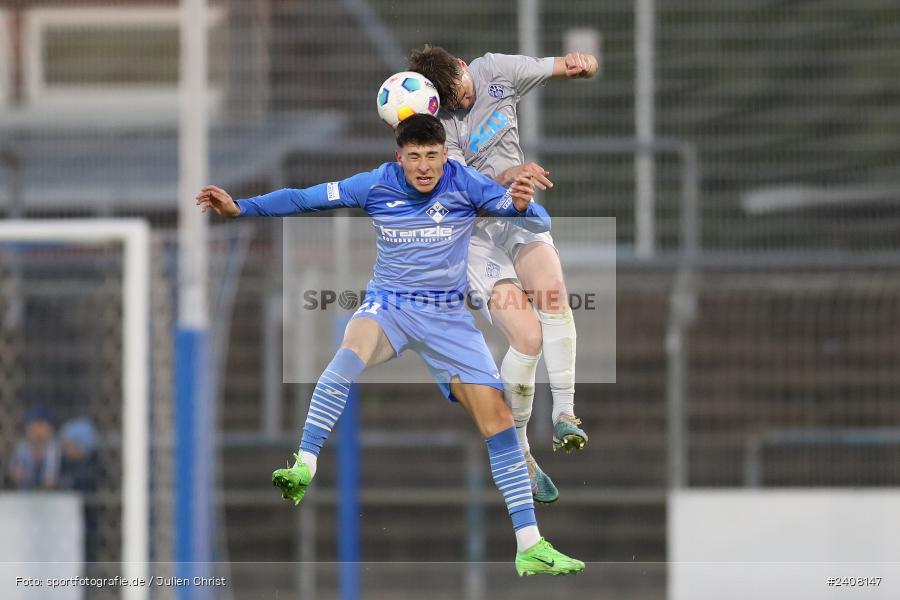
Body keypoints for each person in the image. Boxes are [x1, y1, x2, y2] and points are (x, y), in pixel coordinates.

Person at [196, 114, 583, 576]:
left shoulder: (466, 183)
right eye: (414, 157)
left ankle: (529, 544)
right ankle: (304, 463)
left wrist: (521, 206)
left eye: (433, 156)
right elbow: (305, 198)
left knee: (498, 420)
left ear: (444, 154)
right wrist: (242, 208)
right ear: (399, 157)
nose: (424, 167)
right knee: (347, 355)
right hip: (392, 307)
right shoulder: (375, 184)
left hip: (448, 321)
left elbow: (536, 218)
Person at [408, 46, 599, 503]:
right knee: (527, 337)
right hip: (475, 236)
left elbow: (556, 67)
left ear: (462, 66)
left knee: (553, 293)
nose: (463, 103)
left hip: (516, 212)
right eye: (452, 102)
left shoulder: (496, 70)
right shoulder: (438, 130)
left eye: (464, 92)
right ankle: (519, 451)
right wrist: (514, 173)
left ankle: (566, 416)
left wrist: (578, 65)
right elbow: (465, 189)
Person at [9, 406, 61, 490]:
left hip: (52, 495)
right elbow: (15, 472)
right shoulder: (22, 448)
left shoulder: (55, 448)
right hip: (24, 494)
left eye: (41, 426)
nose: (38, 431)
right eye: (34, 427)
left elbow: (53, 478)